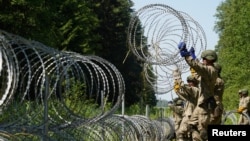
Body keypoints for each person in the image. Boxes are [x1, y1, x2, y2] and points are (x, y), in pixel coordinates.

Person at [178, 42, 218, 141]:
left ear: (208, 59)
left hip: (205, 105)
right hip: (201, 104)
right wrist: (193, 58)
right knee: (191, 126)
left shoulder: (209, 70)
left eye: (204, 59)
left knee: (203, 131)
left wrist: (187, 55)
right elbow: (199, 74)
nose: (203, 60)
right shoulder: (210, 71)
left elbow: (198, 67)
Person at [174, 75, 199, 141]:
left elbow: (186, 88)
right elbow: (184, 94)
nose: (189, 83)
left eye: (191, 82)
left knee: (180, 133)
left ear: (195, 82)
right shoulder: (192, 93)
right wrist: (177, 90)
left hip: (190, 116)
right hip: (192, 116)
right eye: (188, 81)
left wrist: (178, 79)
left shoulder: (195, 90)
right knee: (192, 134)